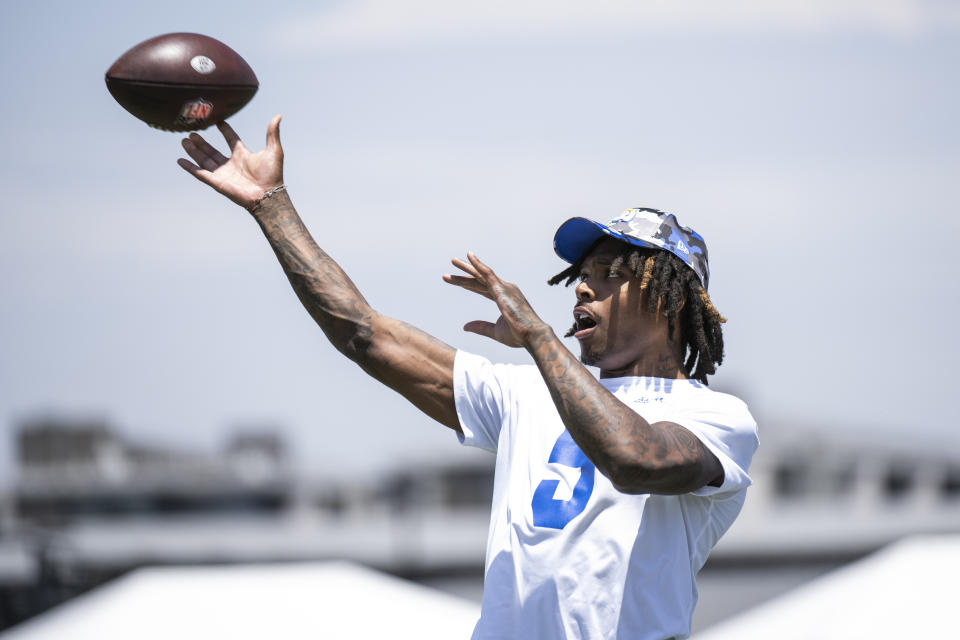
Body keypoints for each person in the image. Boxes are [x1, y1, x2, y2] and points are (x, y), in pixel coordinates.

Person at [178, 116, 759, 640]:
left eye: (610, 273)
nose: (583, 286)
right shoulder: (525, 392)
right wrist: (271, 207)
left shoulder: (716, 418)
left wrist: (539, 337)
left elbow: (634, 459)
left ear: (669, 303)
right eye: (582, 273)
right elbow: (364, 333)